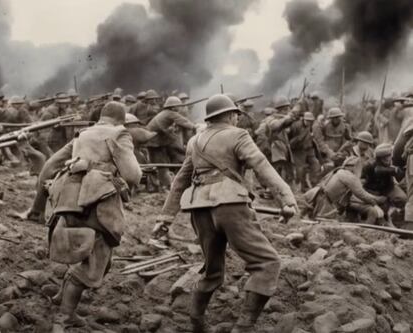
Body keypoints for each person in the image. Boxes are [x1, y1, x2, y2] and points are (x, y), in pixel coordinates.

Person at [152, 94, 297, 332]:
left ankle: (197, 323)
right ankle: (243, 327)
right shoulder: (238, 135)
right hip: (231, 205)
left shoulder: (195, 141)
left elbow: (180, 181)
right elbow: (261, 165)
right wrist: (287, 199)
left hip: (199, 210)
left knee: (212, 271)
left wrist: (164, 219)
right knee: (267, 263)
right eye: (236, 115)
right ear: (230, 115)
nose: (237, 119)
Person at [42, 101, 141, 326]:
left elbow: (51, 163)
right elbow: (133, 175)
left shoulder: (83, 133)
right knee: (96, 259)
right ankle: (65, 316)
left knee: (84, 249)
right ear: (121, 119)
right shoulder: (120, 133)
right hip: (98, 201)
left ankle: (61, 298)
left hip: (69, 198)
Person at [303, 156, 386, 224]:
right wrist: (376, 202)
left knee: (312, 220)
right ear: (354, 167)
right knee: (324, 223)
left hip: (317, 196)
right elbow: (361, 194)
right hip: (326, 203)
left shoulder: (339, 171)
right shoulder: (349, 177)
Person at [146, 96, 197, 192]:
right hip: (155, 142)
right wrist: (195, 127)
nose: (180, 108)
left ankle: (159, 185)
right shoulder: (170, 114)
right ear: (173, 107)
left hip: (156, 141)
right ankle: (166, 186)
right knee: (161, 164)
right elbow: (184, 121)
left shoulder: (165, 113)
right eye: (178, 106)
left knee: (160, 163)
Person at [361, 143, 406, 227]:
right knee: (381, 206)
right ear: (380, 158)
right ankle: (382, 219)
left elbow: (399, 174)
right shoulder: (368, 166)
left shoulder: (392, 164)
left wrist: (395, 171)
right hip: (374, 191)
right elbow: (363, 183)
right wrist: (373, 195)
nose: (389, 159)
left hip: (389, 188)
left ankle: (397, 220)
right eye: (386, 157)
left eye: (389, 156)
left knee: (402, 199)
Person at [265, 96, 300, 185]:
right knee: (277, 170)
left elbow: (289, 125)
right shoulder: (270, 118)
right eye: (286, 109)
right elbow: (274, 126)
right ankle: (271, 190)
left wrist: (291, 118)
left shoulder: (283, 118)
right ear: (282, 109)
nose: (288, 111)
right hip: (275, 148)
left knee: (288, 171)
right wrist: (286, 118)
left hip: (284, 147)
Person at [289, 112, 320, 191]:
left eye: (311, 121)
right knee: (300, 170)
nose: (309, 122)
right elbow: (290, 140)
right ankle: (301, 187)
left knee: (316, 164)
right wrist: (300, 138)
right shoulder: (296, 126)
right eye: (307, 120)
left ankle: (314, 185)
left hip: (309, 149)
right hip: (298, 150)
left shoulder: (310, 126)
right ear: (303, 119)